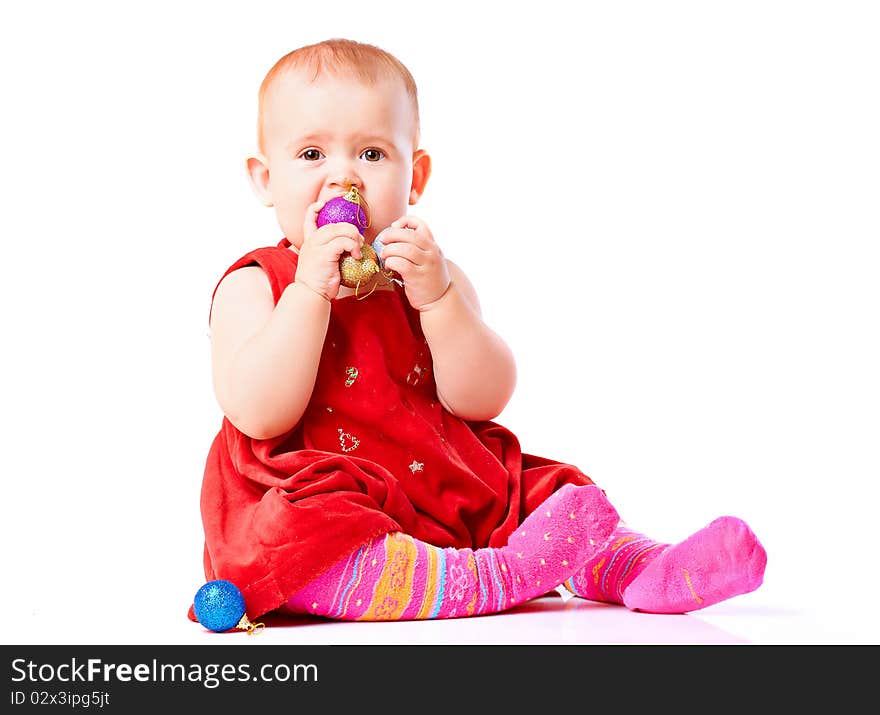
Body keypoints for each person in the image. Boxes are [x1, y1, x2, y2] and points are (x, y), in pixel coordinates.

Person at [189, 38, 766, 626]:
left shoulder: (429, 275)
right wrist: (308, 294)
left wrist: (439, 300)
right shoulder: (259, 283)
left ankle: (646, 568)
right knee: (309, 539)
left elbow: (481, 398)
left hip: (441, 480)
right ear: (265, 180)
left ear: (415, 177)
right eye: (311, 155)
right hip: (323, 491)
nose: (344, 177)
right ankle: (489, 578)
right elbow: (260, 414)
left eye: (371, 153)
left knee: (544, 495)